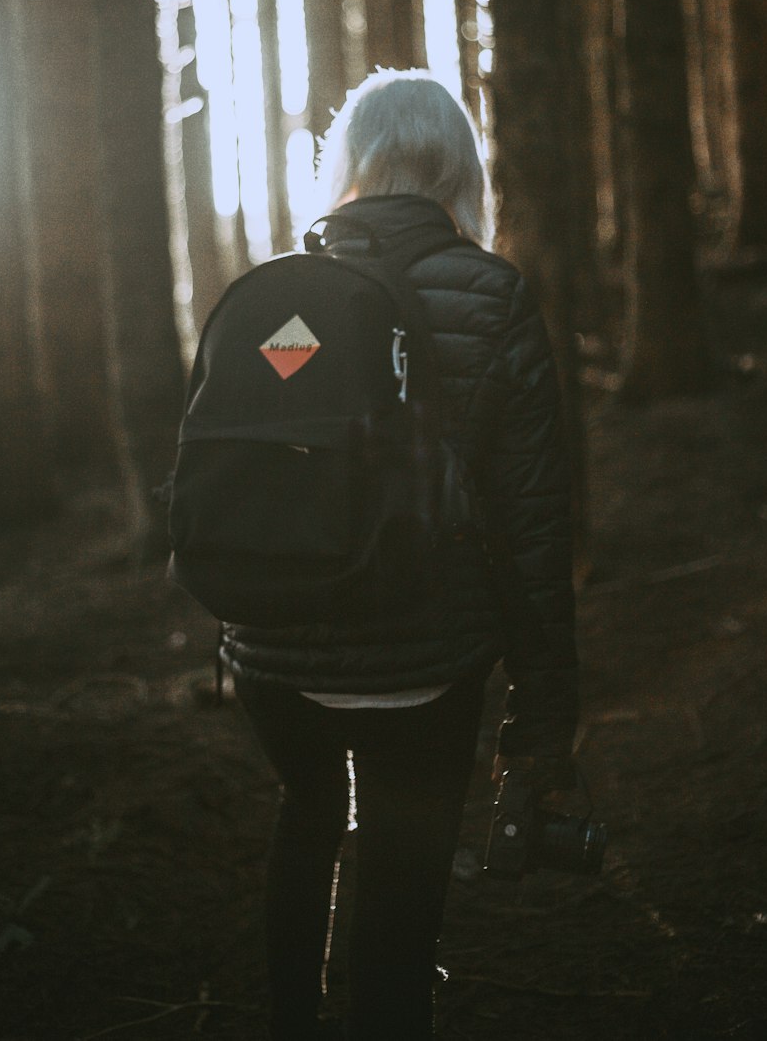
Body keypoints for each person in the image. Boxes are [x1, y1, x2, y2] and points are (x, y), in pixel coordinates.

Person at [224, 69, 579, 1041]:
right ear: (457, 171)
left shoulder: (278, 293)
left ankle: (292, 1017)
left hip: (278, 663)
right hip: (423, 666)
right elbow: (534, 520)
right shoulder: (495, 294)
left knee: (305, 815)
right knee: (397, 873)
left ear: (351, 166)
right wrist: (546, 713)